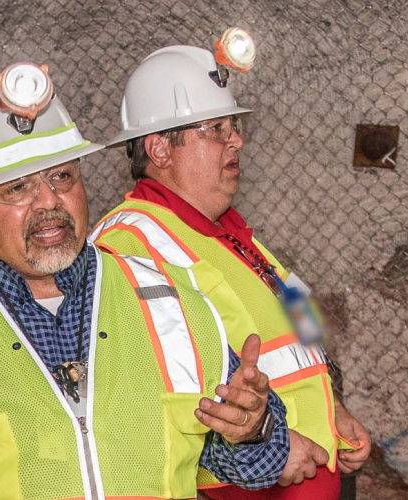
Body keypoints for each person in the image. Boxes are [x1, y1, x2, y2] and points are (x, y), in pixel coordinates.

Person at [0, 67, 290, 499]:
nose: (49, 202)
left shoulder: (168, 303)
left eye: (62, 176)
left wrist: (254, 428)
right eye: (17, 187)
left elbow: (259, 466)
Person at [92, 44, 373, 499]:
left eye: (233, 126)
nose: (236, 140)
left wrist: (333, 407)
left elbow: (304, 327)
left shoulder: (232, 232)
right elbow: (138, 402)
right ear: (160, 148)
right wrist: (270, 446)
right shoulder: (127, 244)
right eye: (215, 128)